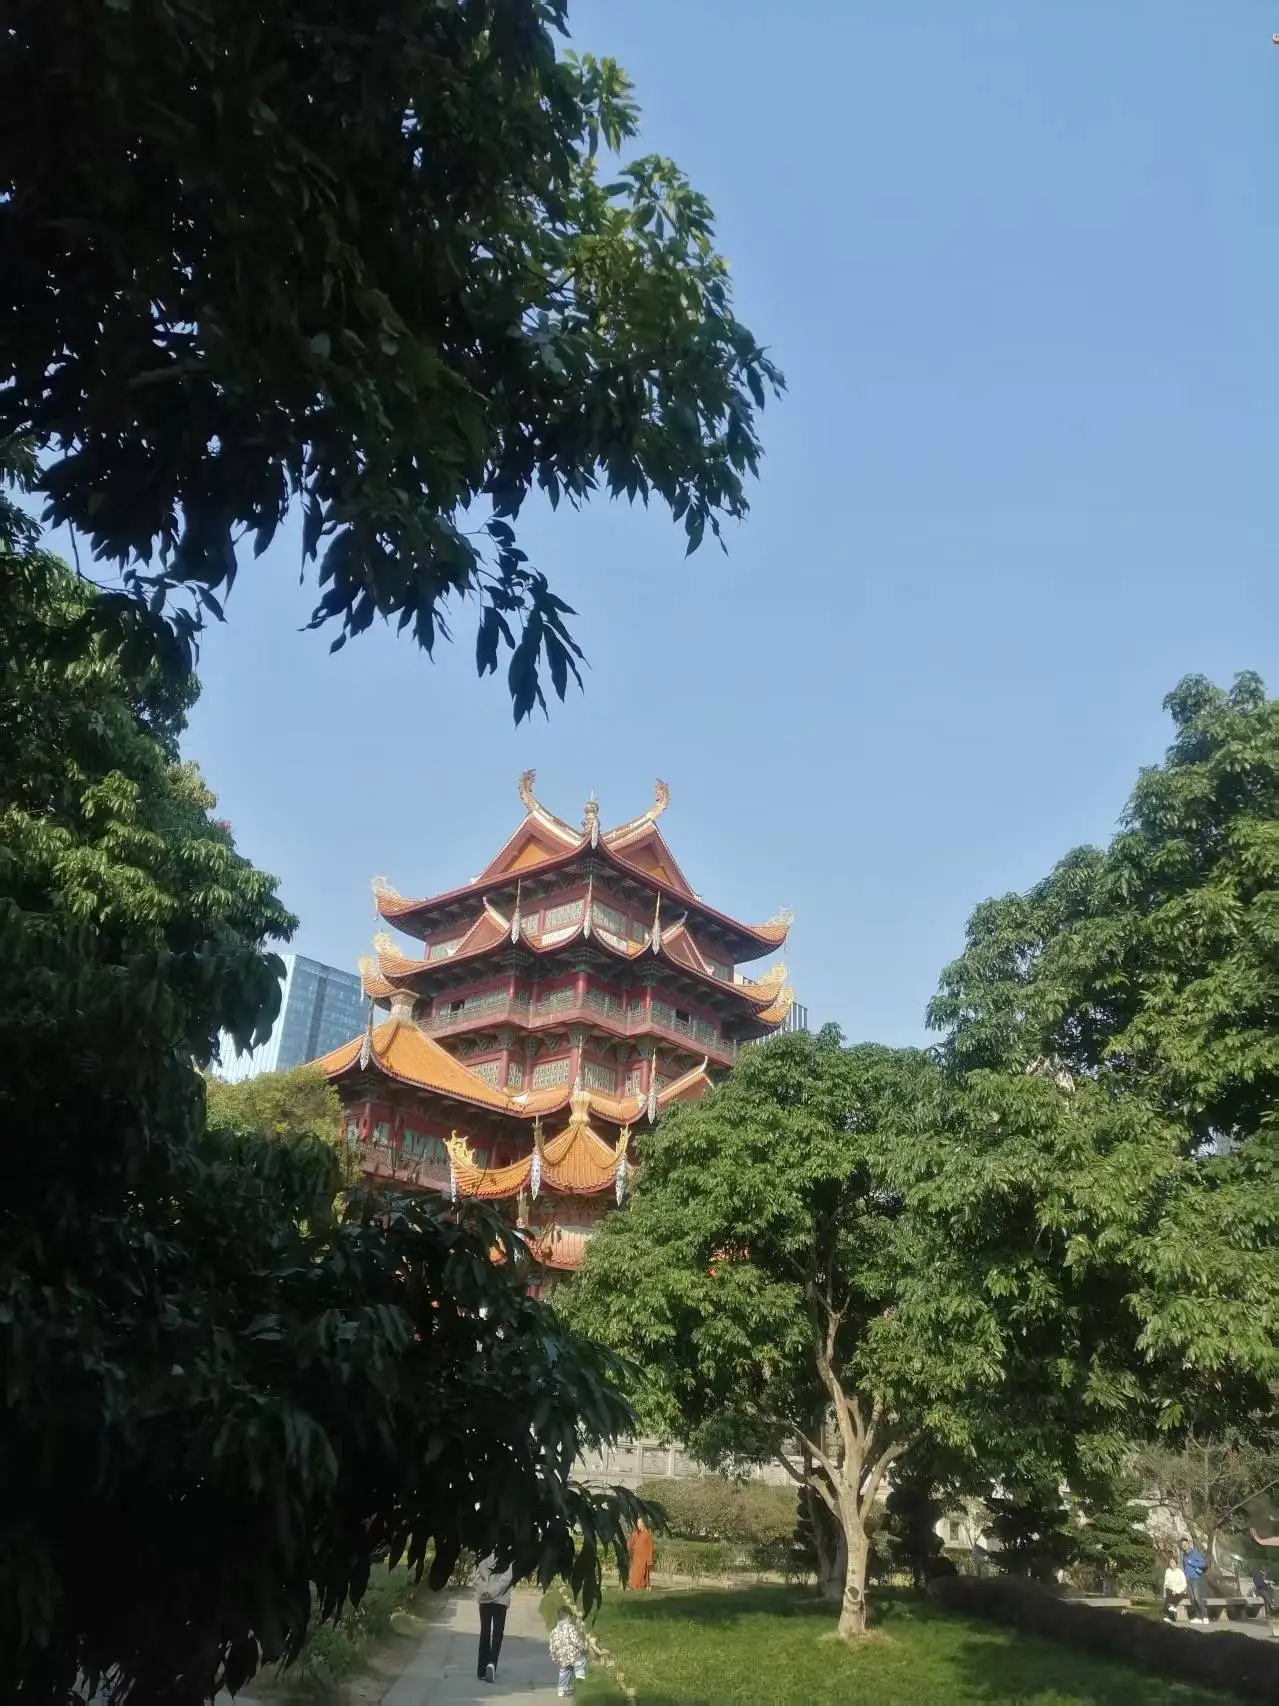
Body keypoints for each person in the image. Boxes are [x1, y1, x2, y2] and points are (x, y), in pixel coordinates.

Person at [473, 1551, 514, 1684]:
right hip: (500, 1599)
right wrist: (493, 1592)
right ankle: (491, 1664)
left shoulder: (483, 1554)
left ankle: (481, 1669)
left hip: (485, 1598)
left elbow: (476, 1577)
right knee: (497, 1633)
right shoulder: (509, 1555)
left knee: (485, 1632)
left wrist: (485, 1591)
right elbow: (507, 1578)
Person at [548, 1603, 588, 1699]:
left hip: (561, 1658)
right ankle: (580, 1677)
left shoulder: (553, 1631)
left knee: (564, 1672)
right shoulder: (570, 1628)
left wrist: (554, 1658)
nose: (570, 1620)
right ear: (567, 1617)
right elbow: (575, 1641)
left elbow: (552, 1646)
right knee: (581, 1662)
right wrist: (583, 1648)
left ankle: (561, 1690)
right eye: (570, 1618)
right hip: (573, 1656)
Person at [1181, 1539, 1209, 1623]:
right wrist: (1185, 1576)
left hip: (1196, 1578)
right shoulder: (1184, 1556)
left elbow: (1202, 1564)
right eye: (1183, 1545)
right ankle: (1198, 1617)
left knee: (1197, 1598)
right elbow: (1185, 1567)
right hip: (1188, 1579)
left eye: (1186, 1544)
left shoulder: (1195, 1553)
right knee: (1192, 1599)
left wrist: (1191, 1562)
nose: (1184, 1546)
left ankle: (1205, 1616)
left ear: (1188, 1544)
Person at [627, 1516, 654, 1591]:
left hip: (644, 1558)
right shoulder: (635, 1533)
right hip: (636, 1558)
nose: (638, 1524)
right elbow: (630, 1543)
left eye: (640, 1523)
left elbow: (650, 1547)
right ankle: (634, 1587)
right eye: (637, 1523)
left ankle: (642, 1587)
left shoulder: (648, 1533)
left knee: (643, 1573)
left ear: (643, 1524)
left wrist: (649, 1559)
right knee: (634, 1573)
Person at [1162, 1555, 1187, 1622]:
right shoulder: (1168, 1571)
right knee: (1168, 1593)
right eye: (1170, 1562)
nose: (1171, 1563)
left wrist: (1176, 1590)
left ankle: (1167, 1615)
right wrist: (1164, 1592)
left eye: (1173, 1562)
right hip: (1170, 1591)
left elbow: (1184, 1585)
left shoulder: (1180, 1572)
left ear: (1176, 1563)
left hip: (1180, 1591)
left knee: (1169, 1597)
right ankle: (1171, 1611)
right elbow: (1166, 1583)